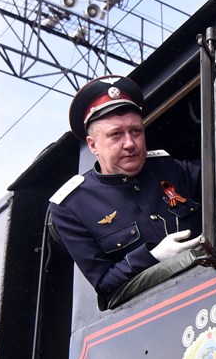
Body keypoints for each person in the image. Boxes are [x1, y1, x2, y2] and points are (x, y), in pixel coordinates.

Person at [49, 75, 205, 307]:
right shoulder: (72, 206)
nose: (130, 143)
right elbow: (104, 284)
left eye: (136, 131)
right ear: (93, 145)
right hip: (155, 310)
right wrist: (153, 256)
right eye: (116, 134)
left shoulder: (169, 167)